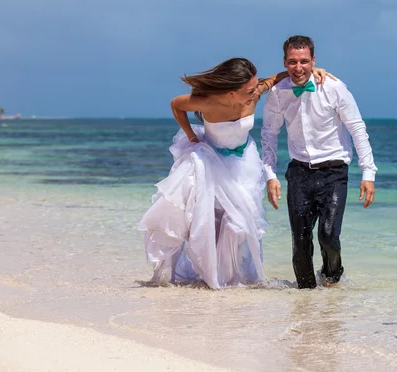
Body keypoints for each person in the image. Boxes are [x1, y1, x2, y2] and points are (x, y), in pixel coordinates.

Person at [139, 57, 333, 289]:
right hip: (210, 161)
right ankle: (200, 274)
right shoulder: (208, 102)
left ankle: (230, 278)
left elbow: (273, 79)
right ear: (231, 93)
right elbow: (176, 105)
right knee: (200, 219)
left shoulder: (254, 94)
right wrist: (191, 135)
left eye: (255, 87)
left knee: (238, 223)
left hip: (243, 164)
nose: (255, 93)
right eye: (249, 90)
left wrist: (312, 69)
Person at [261, 36, 377, 289]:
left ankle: (332, 280)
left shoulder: (334, 88)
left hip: (334, 172)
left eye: (304, 61)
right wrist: (270, 174)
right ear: (285, 62)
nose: (298, 67)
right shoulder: (277, 93)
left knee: (328, 235)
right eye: (292, 62)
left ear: (313, 61)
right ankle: (305, 299)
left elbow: (357, 128)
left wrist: (368, 173)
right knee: (300, 242)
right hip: (299, 173)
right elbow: (269, 134)